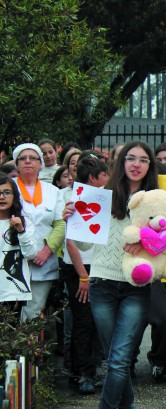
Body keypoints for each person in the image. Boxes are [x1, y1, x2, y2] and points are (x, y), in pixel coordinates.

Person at [63, 140, 162, 409]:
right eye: (130, 158)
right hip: (103, 283)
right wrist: (72, 219)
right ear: (121, 164)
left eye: (142, 160)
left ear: (149, 166)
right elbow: (81, 245)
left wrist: (147, 242)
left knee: (119, 357)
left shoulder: (158, 202)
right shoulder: (102, 197)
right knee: (115, 357)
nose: (135, 164)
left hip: (136, 286)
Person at [60, 156, 110, 395]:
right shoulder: (75, 201)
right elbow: (71, 242)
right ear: (93, 178)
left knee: (99, 321)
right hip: (80, 269)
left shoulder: (108, 199)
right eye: (104, 175)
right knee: (83, 320)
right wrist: (83, 276)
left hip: (101, 266)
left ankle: (92, 368)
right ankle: (82, 373)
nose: (108, 180)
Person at [12, 144, 65, 322]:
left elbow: (60, 225)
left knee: (33, 312)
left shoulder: (53, 191)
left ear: (40, 164)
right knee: (8, 312)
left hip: (42, 262)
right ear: (16, 164)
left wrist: (46, 251)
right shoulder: (8, 187)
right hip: (11, 259)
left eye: (33, 158)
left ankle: (28, 349)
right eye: (23, 158)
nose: (28, 161)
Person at [0, 173, 36, 310]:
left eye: (7, 192)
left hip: (12, 291)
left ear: (14, 196)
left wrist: (21, 230)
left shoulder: (25, 222)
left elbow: (31, 254)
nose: (2, 197)